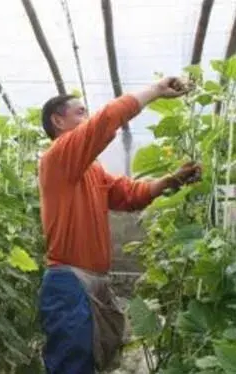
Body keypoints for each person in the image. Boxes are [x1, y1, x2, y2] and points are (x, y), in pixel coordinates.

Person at [37, 77, 201, 373]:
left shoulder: (91, 169)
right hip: (69, 282)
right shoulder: (57, 157)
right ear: (58, 121)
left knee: (91, 360)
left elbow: (129, 195)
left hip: (90, 281)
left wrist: (171, 180)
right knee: (72, 366)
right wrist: (155, 91)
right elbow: (106, 120)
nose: (87, 118)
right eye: (80, 112)